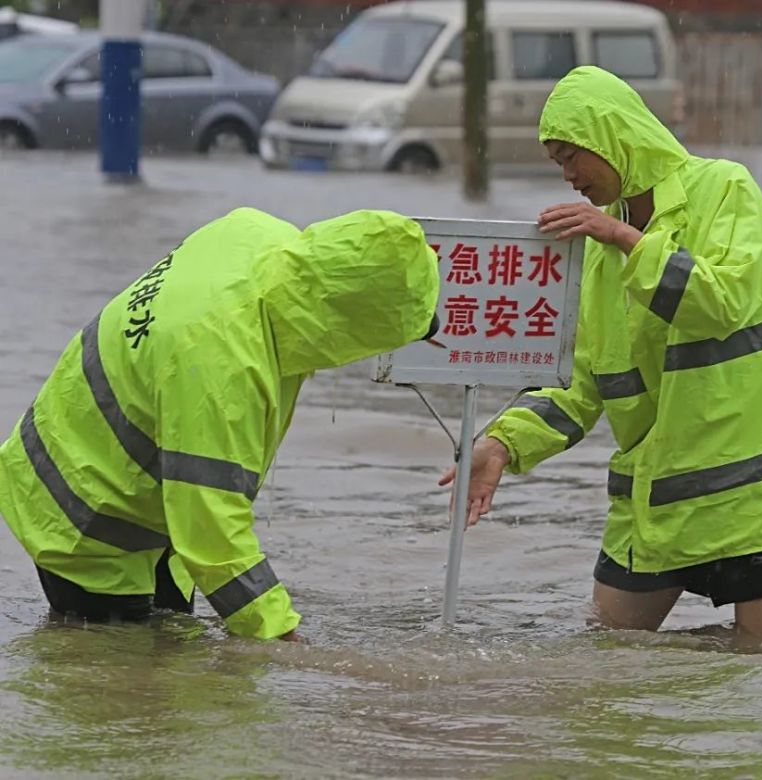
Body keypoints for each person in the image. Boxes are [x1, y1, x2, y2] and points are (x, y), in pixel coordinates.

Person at [440, 66, 762, 644]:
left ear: (615, 138)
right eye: (556, 164)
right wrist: (501, 443)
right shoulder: (596, 248)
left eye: (571, 157)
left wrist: (623, 239)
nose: (568, 177)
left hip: (759, 495)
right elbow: (581, 379)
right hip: (656, 496)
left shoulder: (724, 188)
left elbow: (723, 301)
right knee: (605, 659)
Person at [0, 207, 440, 641]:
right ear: (348, 325)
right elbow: (213, 528)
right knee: (120, 682)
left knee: (172, 659)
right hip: (85, 515)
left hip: (90, 442)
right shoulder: (221, 368)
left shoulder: (254, 232)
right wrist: (281, 638)